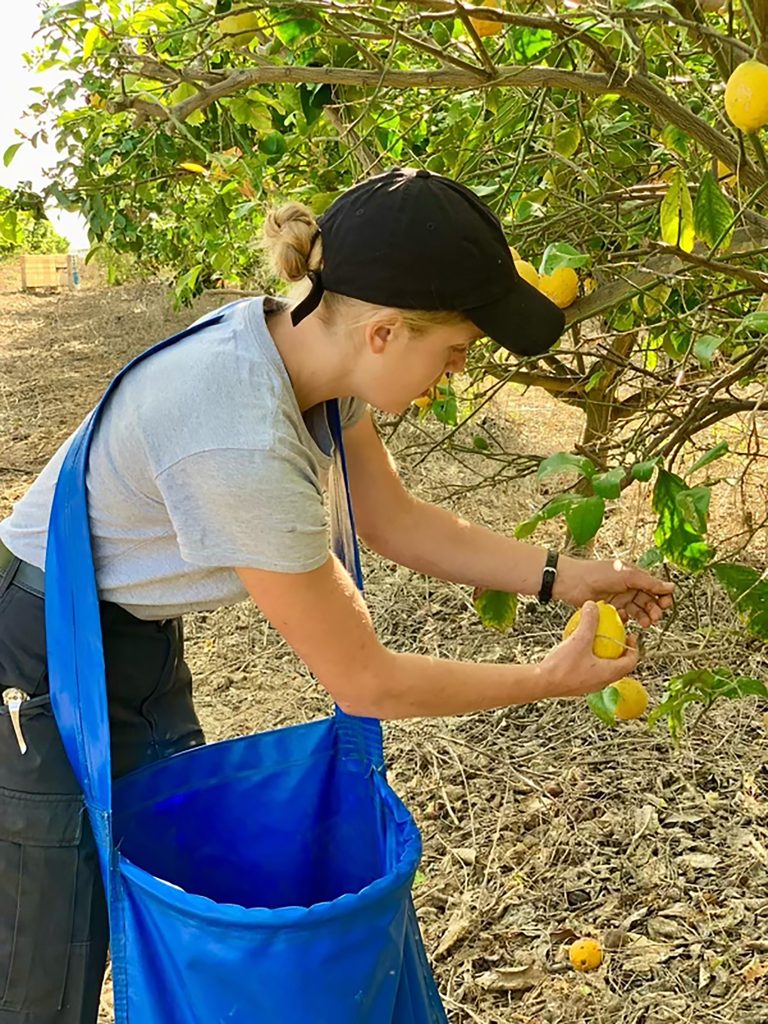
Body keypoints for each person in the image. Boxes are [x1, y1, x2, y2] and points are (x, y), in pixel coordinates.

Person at [0, 166, 673, 1022]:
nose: (453, 377)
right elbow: (365, 681)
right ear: (386, 333)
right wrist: (548, 678)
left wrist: (566, 576)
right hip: (38, 658)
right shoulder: (239, 434)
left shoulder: (307, 358)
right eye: (456, 352)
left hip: (129, 638)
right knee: (42, 958)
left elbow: (395, 521)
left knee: (167, 878)